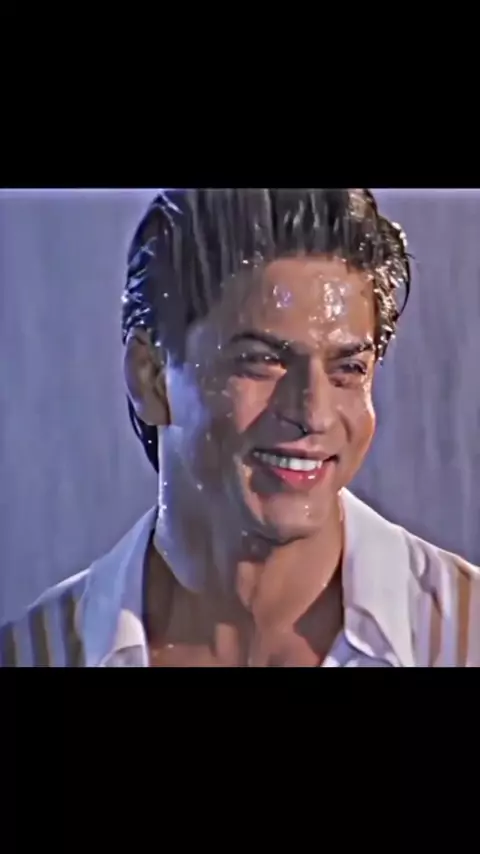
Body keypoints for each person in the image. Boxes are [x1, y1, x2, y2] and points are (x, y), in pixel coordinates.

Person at [2, 188, 479, 667]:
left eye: (348, 369)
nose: (313, 413)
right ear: (151, 377)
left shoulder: (466, 637)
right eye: (261, 361)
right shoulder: (35, 654)